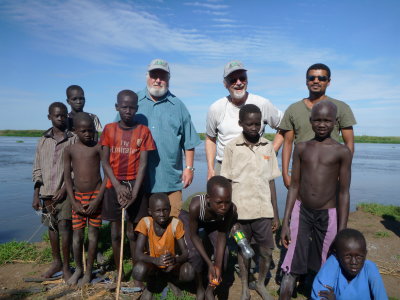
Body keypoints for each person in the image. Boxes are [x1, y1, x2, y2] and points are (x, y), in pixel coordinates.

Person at [279, 101, 353, 300]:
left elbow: (344, 192)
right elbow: (294, 186)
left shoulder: (342, 152)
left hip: (328, 213)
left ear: (335, 122)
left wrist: (342, 229)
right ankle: (289, 283)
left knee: (326, 257)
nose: (322, 124)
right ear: (311, 121)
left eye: (327, 120)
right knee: (294, 253)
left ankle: (318, 286)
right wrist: (285, 221)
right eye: (317, 120)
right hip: (301, 209)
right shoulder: (301, 148)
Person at [116, 59, 201, 217]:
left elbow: (189, 142)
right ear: (147, 76)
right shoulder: (133, 102)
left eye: (162, 76)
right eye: (154, 75)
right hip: (137, 181)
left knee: (173, 226)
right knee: (140, 227)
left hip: (170, 181)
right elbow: (115, 135)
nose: (158, 80)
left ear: (168, 79)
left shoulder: (178, 105)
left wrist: (189, 169)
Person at [221, 104, 281, 300]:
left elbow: (271, 181)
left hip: (263, 211)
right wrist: (229, 217)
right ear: (241, 124)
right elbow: (226, 184)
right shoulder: (231, 148)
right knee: (243, 250)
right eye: (249, 124)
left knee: (266, 252)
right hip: (240, 212)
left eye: (258, 124)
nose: (254, 128)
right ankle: (245, 286)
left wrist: (276, 214)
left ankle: (261, 283)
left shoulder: (268, 146)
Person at [100, 90, 156, 284]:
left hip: (135, 186)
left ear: (136, 108)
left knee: (134, 232)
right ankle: (119, 270)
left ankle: (137, 272)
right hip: (113, 185)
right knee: (116, 233)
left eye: (132, 107)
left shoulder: (143, 132)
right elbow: (104, 161)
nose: (128, 111)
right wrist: (117, 186)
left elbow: (143, 165)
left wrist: (134, 193)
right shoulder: (108, 130)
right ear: (117, 107)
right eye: (124, 107)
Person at [279, 63, 356, 189]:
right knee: (297, 207)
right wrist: (285, 174)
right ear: (306, 81)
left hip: (331, 173)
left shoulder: (341, 108)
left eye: (321, 78)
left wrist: (342, 173)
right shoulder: (293, 109)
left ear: (328, 82)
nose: (316, 81)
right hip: (300, 175)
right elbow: (287, 143)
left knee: (331, 207)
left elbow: (349, 145)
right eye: (312, 78)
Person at [205, 60, 284, 180]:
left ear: (247, 80)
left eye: (242, 78)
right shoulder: (216, 108)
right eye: (233, 80)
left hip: (256, 166)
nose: (238, 83)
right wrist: (211, 169)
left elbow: (284, 125)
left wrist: (272, 151)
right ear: (225, 84)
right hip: (224, 167)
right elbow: (210, 138)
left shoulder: (262, 103)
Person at [32, 102, 76, 280]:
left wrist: (65, 187)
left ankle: (66, 266)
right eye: (57, 115)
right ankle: (56, 261)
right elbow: (37, 168)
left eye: (64, 115)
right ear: (49, 117)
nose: (61, 118)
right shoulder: (43, 141)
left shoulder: (73, 138)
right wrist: (36, 194)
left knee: (65, 225)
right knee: (52, 227)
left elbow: (75, 168)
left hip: (65, 192)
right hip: (46, 193)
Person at [64, 112, 106, 286]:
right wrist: (73, 201)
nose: (88, 134)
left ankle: (89, 272)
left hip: (96, 195)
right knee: (77, 236)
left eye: (91, 130)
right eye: (84, 131)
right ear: (75, 131)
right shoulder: (69, 150)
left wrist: (97, 200)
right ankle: (79, 269)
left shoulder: (98, 148)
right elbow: (67, 178)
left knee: (94, 235)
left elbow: (107, 175)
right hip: (77, 198)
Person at [179, 176, 237, 300]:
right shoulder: (196, 205)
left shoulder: (229, 210)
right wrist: (209, 264)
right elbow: (194, 236)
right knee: (194, 254)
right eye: (219, 202)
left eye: (227, 202)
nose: (224, 207)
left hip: (213, 220)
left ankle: (210, 288)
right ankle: (200, 287)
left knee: (224, 254)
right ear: (209, 199)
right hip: (190, 215)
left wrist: (217, 265)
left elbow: (222, 235)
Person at [133, 193, 195, 299]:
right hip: (153, 264)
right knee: (139, 270)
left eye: (165, 210)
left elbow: (185, 253)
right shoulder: (146, 223)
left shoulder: (175, 223)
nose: (162, 214)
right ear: (150, 212)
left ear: (170, 209)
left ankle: (172, 280)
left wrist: (175, 260)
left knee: (189, 272)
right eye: (157, 211)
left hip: (171, 265)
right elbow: (138, 254)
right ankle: (151, 285)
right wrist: (155, 260)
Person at [312, 228, 388, 300]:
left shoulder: (370, 268)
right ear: (337, 254)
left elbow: (381, 297)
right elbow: (319, 295)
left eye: (359, 257)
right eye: (348, 256)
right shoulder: (333, 264)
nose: (354, 262)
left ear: (365, 254)